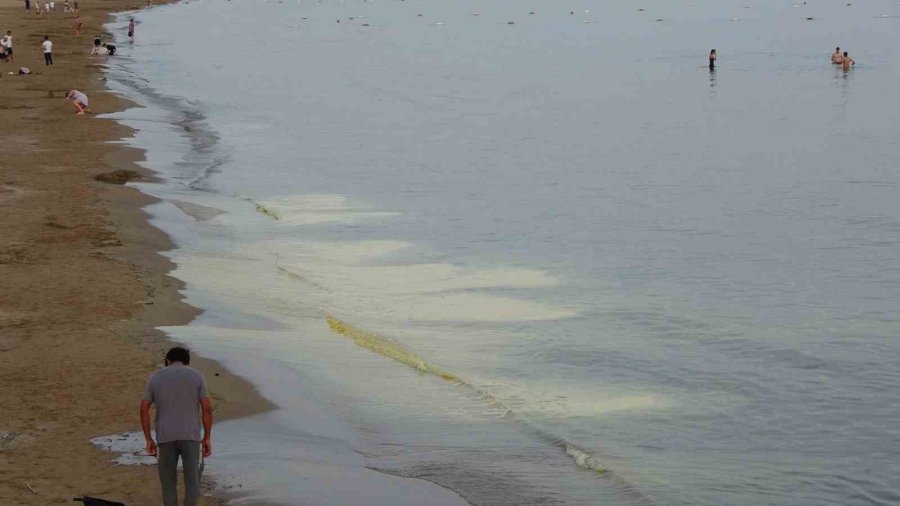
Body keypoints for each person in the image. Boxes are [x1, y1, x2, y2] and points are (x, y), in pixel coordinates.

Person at [140, 347, 213, 506]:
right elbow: (207, 408)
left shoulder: (155, 377)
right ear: (187, 362)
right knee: (192, 484)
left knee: (168, 484)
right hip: (191, 436)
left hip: (165, 436)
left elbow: (143, 408)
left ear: (168, 360)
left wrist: (148, 439)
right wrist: (207, 437)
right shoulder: (197, 376)